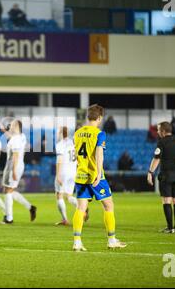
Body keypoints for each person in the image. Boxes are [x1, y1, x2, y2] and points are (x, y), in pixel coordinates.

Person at [72, 104, 126, 251]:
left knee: (81, 208)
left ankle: (77, 242)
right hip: (95, 176)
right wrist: (97, 174)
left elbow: (74, 156)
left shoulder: (77, 133)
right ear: (100, 118)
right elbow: (99, 155)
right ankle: (111, 240)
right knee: (109, 205)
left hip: (81, 175)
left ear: (87, 116)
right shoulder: (99, 133)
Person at [147, 121, 175, 234]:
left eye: (159, 130)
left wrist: (150, 172)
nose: (158, 132)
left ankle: (170, 228)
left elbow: (156, 159)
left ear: (163, 131)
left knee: (167, 201)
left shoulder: (162, 142)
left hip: (166, 174)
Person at [1, 119, 37, 224]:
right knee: (10, 190)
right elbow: (11, 137)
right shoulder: (22, 137)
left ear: (16, 126)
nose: (10, 126)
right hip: (19, 165)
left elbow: (15, 156)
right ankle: (30, 207)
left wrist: (14, 171)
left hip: (13, 166)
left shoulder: (15, 140)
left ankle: (9, 218)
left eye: (11, 124)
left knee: (7, 191)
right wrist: (4, 131)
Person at [54, 126, 79, 225]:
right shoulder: (73, 143)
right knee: (68, 196)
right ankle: (82, 208)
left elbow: (59, 160)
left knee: (59, 195)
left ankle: (65, 219)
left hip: (63, 172)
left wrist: (58, 174)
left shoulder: (60, 144)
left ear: (60, 133)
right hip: (73, 172)